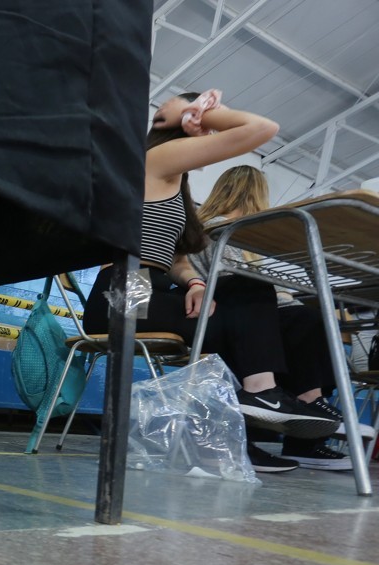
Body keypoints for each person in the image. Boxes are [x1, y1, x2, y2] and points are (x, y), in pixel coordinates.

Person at [83, 90, 339, 474]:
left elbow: (177, 259)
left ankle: (241, 430)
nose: (209, 136)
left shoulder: (175, 183)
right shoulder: (158, 159)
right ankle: (260, 397)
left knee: (267, 317)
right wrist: (199, 113)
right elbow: (262, 129)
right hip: (122, 289)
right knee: (247, 296)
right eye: (204, 127)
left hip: (153, 285)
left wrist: (195, 284)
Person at [191, 166, 357, 471]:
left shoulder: (228, 230)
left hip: (235, 312)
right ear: (256, 195)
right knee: (300, 318)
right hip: (219, 313)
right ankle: (302, 410)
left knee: (306, 320)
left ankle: (306, 413)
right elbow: (235, 279)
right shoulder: (220, 228)